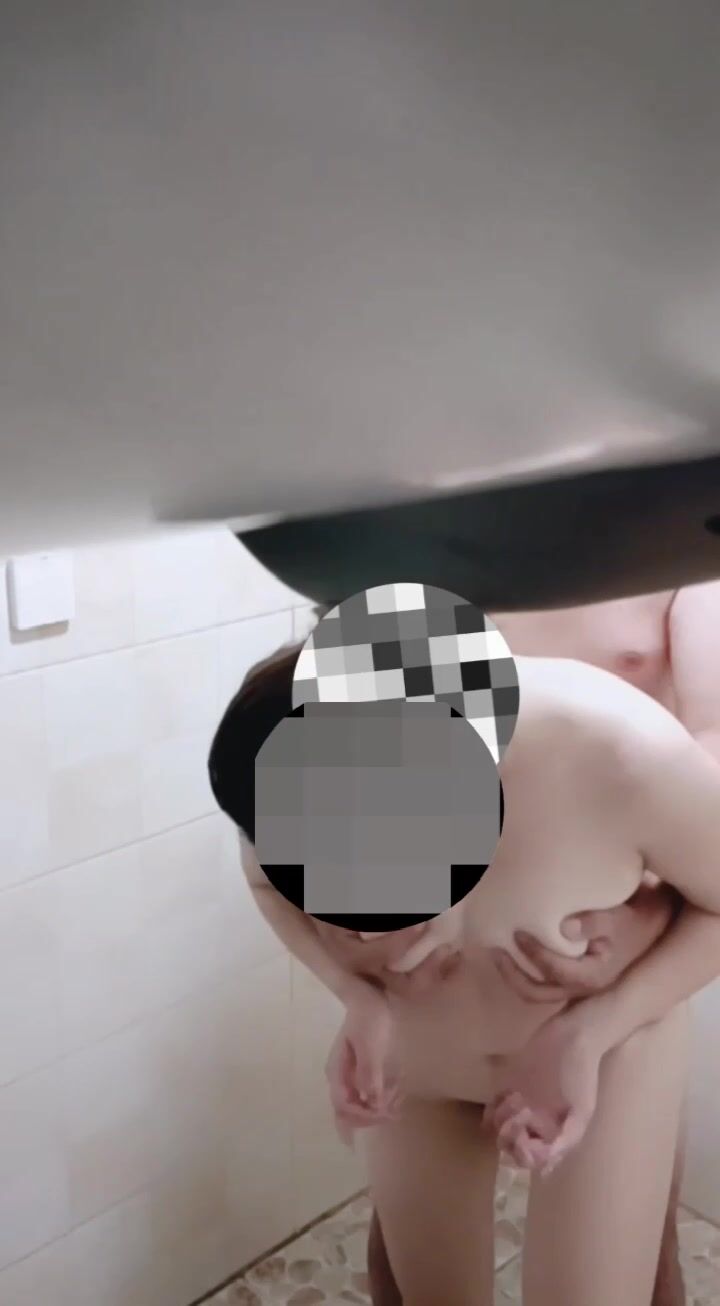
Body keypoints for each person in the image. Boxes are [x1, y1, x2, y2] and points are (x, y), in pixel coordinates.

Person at [207, 583, 720, 1306]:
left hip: (601, 1060)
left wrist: (591, 1030)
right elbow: (263, 878)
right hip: (420, 1061)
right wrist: (355, 994)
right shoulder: (301, 754)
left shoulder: (617, 746)